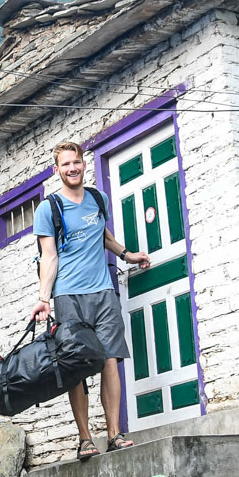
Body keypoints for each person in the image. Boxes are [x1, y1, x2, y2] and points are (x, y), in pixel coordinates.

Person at [30, 140, 150, 460]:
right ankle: (85, 438)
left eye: (77, 162)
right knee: (78, 367)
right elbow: (49, 256)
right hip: (69, 296)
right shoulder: (49, 208)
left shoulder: (99, 197)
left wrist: (127, 255)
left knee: (111, 359)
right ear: (57, 170)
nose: (72, 168)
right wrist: (44, 298)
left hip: (103, 291)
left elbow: (104, 236)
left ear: (84, 165)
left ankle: (113, 434)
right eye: (66, 164)